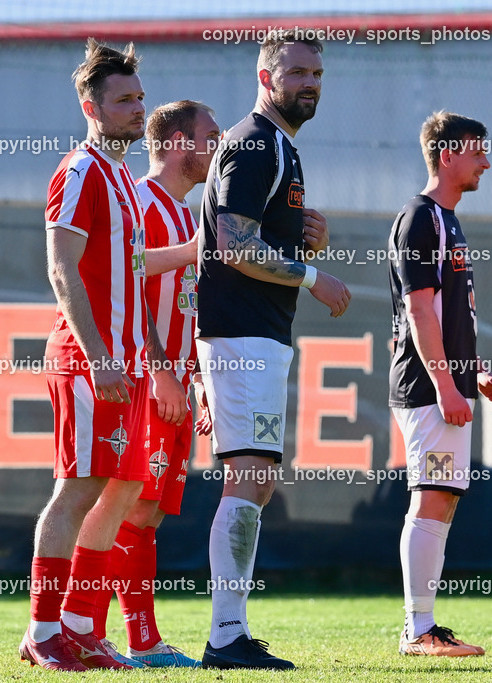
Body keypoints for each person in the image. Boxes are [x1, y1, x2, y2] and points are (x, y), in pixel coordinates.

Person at [19, 38, 187, 671]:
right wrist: (100, 355)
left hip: (129, 361)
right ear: (90, 105)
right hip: (91, 359)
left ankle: (80, 628)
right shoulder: (82, 169)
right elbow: (61, 266)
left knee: (116, 493)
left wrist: (142, 353)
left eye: (140, 98)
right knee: (76, 491)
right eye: (122, 100)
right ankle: (44, 632)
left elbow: (131, 268)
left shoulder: (119, 176)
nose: (135, 110)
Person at [194, 34, 351, 671]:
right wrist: (314, 277)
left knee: (256, 479)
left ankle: (229, 632)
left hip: (257, 333)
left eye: (317, 72)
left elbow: (259, 238)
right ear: (265, 76)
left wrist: (306, 236)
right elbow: (232, 243)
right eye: (296, 72)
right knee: (249, 477)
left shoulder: (281, 146)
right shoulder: (256, 142)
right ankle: (225, 635)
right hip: (239, 334)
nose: (309, 82)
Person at [89, 99, 220, 669]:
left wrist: (202, 381)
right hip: (145, 380)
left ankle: (141, 640)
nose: (218, 149)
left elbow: (188, 307)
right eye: (209, 137)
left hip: (177, 384)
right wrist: (165, 371)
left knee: (147, 514)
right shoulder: (138, 202)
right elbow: (127, 284)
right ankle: (86, 629)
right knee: (119, 504)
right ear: (173, 143)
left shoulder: (190, 214)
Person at [389, 112, 492, 657]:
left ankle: (424, 626)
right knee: (432, 499)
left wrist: (474, 371)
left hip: (448, 383)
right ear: (447, 155)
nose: (486, 162)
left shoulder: (447, 218)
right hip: (426, 387)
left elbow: (447, 311)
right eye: (477, 152)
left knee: (440, 500)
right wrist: (445, 384)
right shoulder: (421, 218)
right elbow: (419, 311)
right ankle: (418, 630)